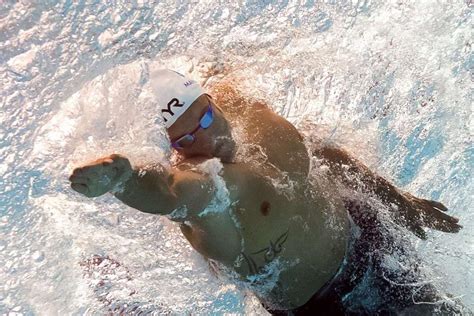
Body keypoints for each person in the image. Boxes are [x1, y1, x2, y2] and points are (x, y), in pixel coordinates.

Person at [69, 69, 465, 315]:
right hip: (326, 306)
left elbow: (321, 155)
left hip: (368, 241)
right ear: (174, 152)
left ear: (214, 102)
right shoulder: (206, 187)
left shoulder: (248, 114)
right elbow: (168, 194)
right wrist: (122, 180)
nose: (206, 137)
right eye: (186, 139)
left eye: (206, 117)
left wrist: (398, 200)